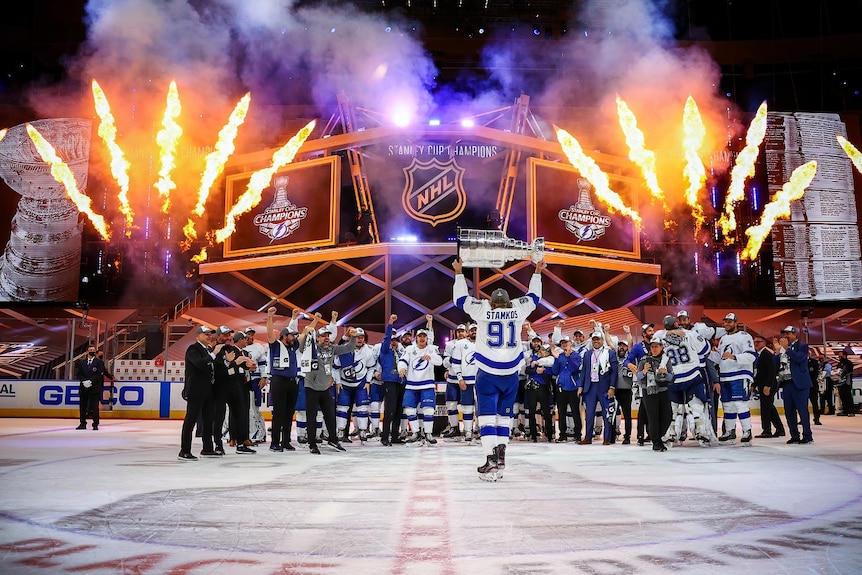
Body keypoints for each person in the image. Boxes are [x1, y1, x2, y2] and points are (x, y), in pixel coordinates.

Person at [453, 256, 545, 482]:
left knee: (485, 418)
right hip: (511, 373)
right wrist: (537, 272)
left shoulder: (483, 310)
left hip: (488, 372)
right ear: (508, 302)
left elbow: (460, 300)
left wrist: (458, 272)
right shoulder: (518, 309)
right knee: (504, 417)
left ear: (492, 301)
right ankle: (501, 456)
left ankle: (490, 460)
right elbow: (534, 297)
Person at [300, 317, 356, 454]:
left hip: (325, 387)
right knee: (311, 416)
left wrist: (353, 337)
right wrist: (307, 333)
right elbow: (301, 347)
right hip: (311, 386)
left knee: (330, 415)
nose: (326, 338)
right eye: (323, 336)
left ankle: (333, 439)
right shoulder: (311, 347)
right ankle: (312, 443)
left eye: (328, 335)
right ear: (317, 338)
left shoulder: (332, 349)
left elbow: (349, 347)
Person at [266, 307, 304, 452]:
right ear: (283, 336)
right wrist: (270, 317)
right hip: (279, 381)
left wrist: (294, 317)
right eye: (291, 335)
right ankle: (274, 442)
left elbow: (302, 335)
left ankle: (286, 441)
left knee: (289, 413)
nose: (294, 337)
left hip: (292, 382)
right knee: (279, 412)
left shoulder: (293, 347)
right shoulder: (275, 345)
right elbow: (270, 333)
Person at [717, 313, 757, 446]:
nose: (727, 324)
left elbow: (751, 356)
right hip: (725, 375)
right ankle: (730, 431)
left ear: (736, 323)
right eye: (725, 322)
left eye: (729, 321)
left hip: (740, 374)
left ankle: (747, 431)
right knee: (727, 406)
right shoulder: (722, 339)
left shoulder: (744, 337)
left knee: (740, 404)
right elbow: (720, 357)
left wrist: (734, 357)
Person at [178, 326, 217, 460]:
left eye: (209, 334)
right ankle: (184, 450)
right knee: (191, 420)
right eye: (205, 334)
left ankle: (207, 448)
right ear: (198, 336)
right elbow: (199, 364)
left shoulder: (208, 350)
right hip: (196, 390)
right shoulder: (193, 349)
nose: (209, 336)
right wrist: (213, 355)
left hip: (208, 390)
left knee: (208, 420)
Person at [398, 327, 443, 444]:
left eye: (424, 336)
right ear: (416, 338)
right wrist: (402, 368)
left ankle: (428, 433)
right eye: (420, 336)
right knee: (409, 410)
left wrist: (431, 357)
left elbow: (439, 361)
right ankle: (415, 433)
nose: (422, 338)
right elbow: (402, 360)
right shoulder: (409, 349)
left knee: (429, 410)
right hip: (411, 385)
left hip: (427, 384)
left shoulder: (432, 349)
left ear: (427, 338)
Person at [333, 326, 376, 442]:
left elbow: (371, 367)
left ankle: (362, 430)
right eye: (357, 337)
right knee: (342, 408)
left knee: (362, 408)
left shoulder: (368, 351)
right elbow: (335, 367)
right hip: (345, 384)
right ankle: (340, 431)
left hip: (360, 384)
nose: (359, 339)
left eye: (361, 337)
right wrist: (337, 382)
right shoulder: (344, 349)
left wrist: (367, 381)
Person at [773, 326, 814, 444]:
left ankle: (807, 435)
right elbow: (774, 365)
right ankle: (794, 435)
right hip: (786, 383)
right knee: (789, 411)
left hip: (799, 383)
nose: (785, 336)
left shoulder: (802, 346)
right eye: (784, 334)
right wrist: (777, 352)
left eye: (788, 334)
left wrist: (787, 349)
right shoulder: (782, 348)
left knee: (802, 410)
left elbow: (800, 358)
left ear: (795, 334)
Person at [578, 331, 618, 445]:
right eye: (594, 339)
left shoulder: (609, 353)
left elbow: (614, 372)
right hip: (590, 387)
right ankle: (588, 437)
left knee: (607, 414)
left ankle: (607, 438)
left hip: (604, 387)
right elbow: (584, 371)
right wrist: (581, 386)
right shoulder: (587, 354)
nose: (596, 341)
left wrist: (612, 387)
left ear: (602, 340)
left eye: (598, 339)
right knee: (589, 414)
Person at [636, 336, 674, 452]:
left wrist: (666, 374)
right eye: (652, 347)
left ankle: (658, 437)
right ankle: (656, 442)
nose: (654, 349)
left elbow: (672, 377)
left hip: (663, 391)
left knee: (667, 416)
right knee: (653, 418)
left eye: (656, 346)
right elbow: (638, 376)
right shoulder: (644, 360)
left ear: (661, 347)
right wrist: (644, 371)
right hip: (649, 392)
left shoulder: (666, 360)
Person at [375, 315, 402, 446]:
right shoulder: (385, 351)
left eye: (396, 340)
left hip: (400, 383)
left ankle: (395, 436)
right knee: (389, 409)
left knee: (398, 410)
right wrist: (390, 323)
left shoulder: (400, 353)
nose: (393, 342)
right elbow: (386, 339)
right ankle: (385, 437)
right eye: (392, 340)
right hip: (389, 382)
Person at [450, 323, 480, 443]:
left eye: (476, 330)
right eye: (472, 330)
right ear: (468, 332)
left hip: (481, 380)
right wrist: (459, 378)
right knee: (467, 407)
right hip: (466, 380)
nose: (474, 332)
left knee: (482, 407)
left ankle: (481, 430)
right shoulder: (460, 344)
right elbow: (456, 363)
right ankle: (468, 431)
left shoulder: (484, 343)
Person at [752, 335, 784, 438]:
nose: (756, 343)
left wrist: (768, 385)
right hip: (763, 383)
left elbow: (772, 371)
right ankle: (779, 429)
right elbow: (760, 373)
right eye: (755, 341)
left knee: (766, 408)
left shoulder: (766, 354)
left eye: (758, 341)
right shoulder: (760, 355)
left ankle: (767, 430)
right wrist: (755, 383)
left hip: (768, 384)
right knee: (769, 407)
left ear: (764, 343)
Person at [552, 336, 582, 443]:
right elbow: (555, 371)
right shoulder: (560, 356)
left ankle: (578, 434)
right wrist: (556, 359)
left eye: (566, 343)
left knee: (575, 412)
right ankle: (562, 435)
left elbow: (575, 368)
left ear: (571, 343)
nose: (564, 345)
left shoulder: (576, 356)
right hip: (561, 388)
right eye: (563, 343)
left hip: (573, 388)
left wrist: (568, 357)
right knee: (561, 412)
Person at [524, 337, 555, 442]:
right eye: (541, 350)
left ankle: (550, 435)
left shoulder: (550, 361)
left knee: (546, 412)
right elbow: (527, 370)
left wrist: (544, 371)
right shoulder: (534, 358)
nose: (541, 352)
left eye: (544, 350)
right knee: (532, 411)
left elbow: (551, 373)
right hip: (532, 388)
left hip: (543, 388)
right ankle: (533, 435)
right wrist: (536, 371)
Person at [75, 345, 110, 430]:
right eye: (91, 350)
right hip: (84, 387)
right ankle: (82, 423)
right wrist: (84, 381)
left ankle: (95, 424)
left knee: (94, 407)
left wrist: (91, 381)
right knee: (83, 406)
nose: (93, 351)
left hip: (94, 388)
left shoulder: (99, 362)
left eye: (94, 350)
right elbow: (79, 374)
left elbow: (99, 373)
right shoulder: (81, 363)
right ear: (87, 352)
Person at [442, 324, 468, 438]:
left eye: (462, 331)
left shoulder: (471, 344)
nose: (460, 333)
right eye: (458, 331)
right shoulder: (450, 345)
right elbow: (445, 361)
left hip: (467, 379)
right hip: (453, 378)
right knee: (450, 404)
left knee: (470, 406)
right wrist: (451, 362)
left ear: (466, 333)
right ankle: (454, 427)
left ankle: (472, 429)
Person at [614, 340, 634, 444]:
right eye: (620, 345)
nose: (622, 348)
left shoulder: (630, 358)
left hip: (626, 390)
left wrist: (628, 332)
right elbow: (609, 343)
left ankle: (627, 436)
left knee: (627, 415)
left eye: (624, 346)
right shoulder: (614, 357)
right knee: (613, 414)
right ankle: (612, 434)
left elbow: (631, 343)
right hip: (615, 390)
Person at [835, 349, 855, 416]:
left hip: (847, 382)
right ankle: (845, 411)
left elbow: (850, 371)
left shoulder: (848, 363)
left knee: (848, 397)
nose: (839, 357)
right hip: (840, 382)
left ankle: (851, 411)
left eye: (840, 355)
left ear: (845, 355)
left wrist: (843, 374)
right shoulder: (839, 363)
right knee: (842, 397)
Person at [807, 350, 822, 426]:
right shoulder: (799, 362)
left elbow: (815, 374)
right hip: (803, 386)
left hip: (812, 385)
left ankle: (816, 418)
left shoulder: (814, 362)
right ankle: (803, 419)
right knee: (803, 404)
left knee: (815, 403)